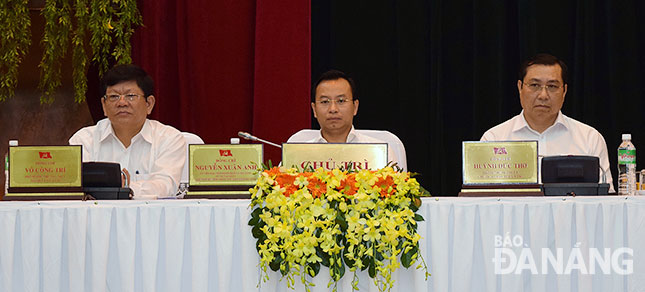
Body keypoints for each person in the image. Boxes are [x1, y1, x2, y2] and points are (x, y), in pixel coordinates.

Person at [481, 53, 613, 191]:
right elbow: (483, 203)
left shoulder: (589, 138)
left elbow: (606, 201)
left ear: (564, 91)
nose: (543, 95)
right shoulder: (494, 139)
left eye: (552, 86)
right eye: (534, 85)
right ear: (520, 87)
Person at [69, 64, 186, 199]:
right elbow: (76, 188)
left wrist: (126, 188)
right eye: (114, 96)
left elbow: (166, 186)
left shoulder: (169, 139)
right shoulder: (83, 140)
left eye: (130, 96)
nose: (122, 102)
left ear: (149, 104)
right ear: (104, 106)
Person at [287, 69, 405, 170]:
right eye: (325, 102)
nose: (333, 109)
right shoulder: (297, 153)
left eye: (341, 101)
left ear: (355, 107)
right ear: (314, 109)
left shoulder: (381, 152)